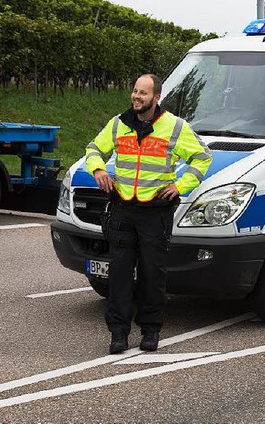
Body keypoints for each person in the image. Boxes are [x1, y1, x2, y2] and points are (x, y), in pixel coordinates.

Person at [86, 74, 212, 354]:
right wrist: (98, 169)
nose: (136, 97)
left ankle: (150, 331)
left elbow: (202, 157)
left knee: (152, 274)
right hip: (122, 209)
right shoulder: (118, 123)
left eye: (143, 93)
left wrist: (180, 185)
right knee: (118, 274)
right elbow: (94, 149)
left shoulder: (174, 127)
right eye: (134, 91)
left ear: (156, 97)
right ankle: (118, 333)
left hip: (155, 211)